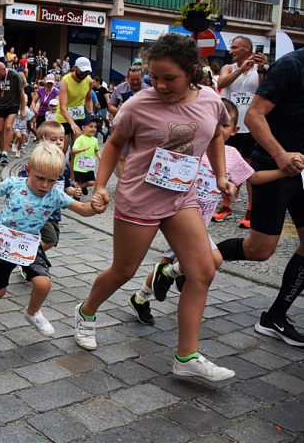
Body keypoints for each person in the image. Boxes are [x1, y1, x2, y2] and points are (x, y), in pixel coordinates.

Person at [76, 33, 237, 381]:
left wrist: (222, 177)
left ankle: (187, 356)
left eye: (170, 78)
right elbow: (114, 145)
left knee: (203, 271)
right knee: (124, 272)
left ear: (192, 72)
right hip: (140, 199)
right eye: (154, 77)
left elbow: (215, 137)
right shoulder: (139, 104)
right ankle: (87, 312)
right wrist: (101, 186)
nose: (161, 86)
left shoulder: (210, 99)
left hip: (181, 198)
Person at [130, 98, 284, 326]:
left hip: (202, 223)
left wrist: (284, 171)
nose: (218, 130)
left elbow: (254, 178)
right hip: (180, 217)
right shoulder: (192, 145)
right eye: (214, 123)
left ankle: (140, 298)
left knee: (167, 261)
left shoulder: (231, 155)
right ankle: (168, 276)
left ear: (235, 130)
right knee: (214, 260)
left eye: (225, 125)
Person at [216, 47, 304, 347]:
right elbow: (254, 116)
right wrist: (280, 155)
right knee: (260, 250)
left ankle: (275, 317)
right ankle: (191, 261)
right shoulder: (291, 66)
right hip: (273, 166)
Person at [0, 142, 104, 335]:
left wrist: (95, 208)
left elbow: (82, 209)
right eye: (39, 178)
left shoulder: (55, 195)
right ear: (28, 170)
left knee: (43, 285)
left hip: (30, 244)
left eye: (51, 180)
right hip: (3, 243)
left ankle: (32, 312)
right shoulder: (13, 184)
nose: (44, 185)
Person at [213, 36, 268, 228]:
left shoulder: (263, 69)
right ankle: (225, 206)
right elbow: (221, 84)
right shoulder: (229, 67)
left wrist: (260, 69)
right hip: (229, 127)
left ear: (248, 48)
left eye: (235, 47)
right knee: (223, 166)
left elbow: (264, 90)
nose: (231, 51)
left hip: (250, 128)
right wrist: (242, 69)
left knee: (249, 170)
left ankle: (251, 210)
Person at [33, 121, 81, 252]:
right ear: (41, 141)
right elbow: (24, 181)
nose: (59, 142)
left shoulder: (64, 165)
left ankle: (31, 257)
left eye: (61, 138)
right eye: (53, 139)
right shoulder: (38, 161)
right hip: (39, 210)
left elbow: (66, 187)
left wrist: (74, 191)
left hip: (54, 211)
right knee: (50, 239)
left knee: (54, 240)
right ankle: (29, 257)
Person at [107, 65, 148, 178]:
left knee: (139, 157)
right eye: (132, 79)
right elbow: (111, 107)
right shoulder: (119, 88)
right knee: (121, 156)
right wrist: (119, 109)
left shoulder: (149, 91)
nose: (135, 82)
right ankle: (122, 184)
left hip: (141, 127)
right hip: (122, 125)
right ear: (127, 78)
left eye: (138, 79)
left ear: (143, 78)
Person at [0, 62, 26, 165]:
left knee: (9, 126)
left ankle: (5, 153)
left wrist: (22, 109)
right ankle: (1, 151)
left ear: (5, 69)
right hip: (1, 105)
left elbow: (22, 93)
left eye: (0, 73)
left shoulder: (14, 75)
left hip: (13, 104)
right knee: (0, 129)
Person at [56, 57, 93, 147]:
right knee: (62, 149)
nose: (84, 74)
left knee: (78, 148)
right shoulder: (65, 80)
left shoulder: (89, 81)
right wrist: (72, 123)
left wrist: (90, 112)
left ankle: (73, 161)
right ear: (75, 68)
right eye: (82, 71)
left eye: (87, 71)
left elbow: (88, 99)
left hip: (79, 117)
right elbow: (62, 107)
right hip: (63, 117)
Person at [71, 116, 101, 197]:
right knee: (79, 182)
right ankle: (76, 196)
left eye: (95, 127)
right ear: (83, 127)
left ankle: (80, 187)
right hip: (80, 166)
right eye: (91, 127)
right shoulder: (80, 139)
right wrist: (82, 149)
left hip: (89, 165)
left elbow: (96, 150)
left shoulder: (95, 140)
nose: (93, 129)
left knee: (92, 182)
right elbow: (74, 150)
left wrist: (99, 157)